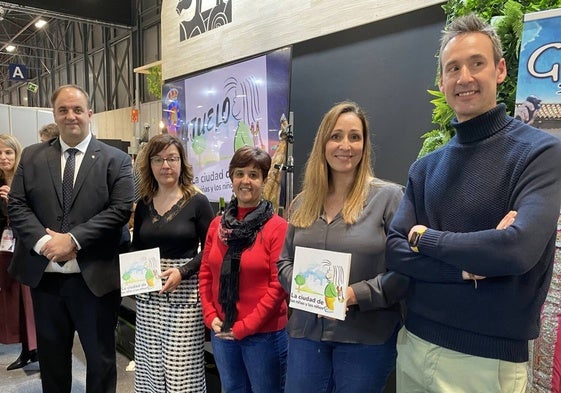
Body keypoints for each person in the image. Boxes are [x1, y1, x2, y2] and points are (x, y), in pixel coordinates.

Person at [385, 14, 561, 393]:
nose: (464, 77)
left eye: (476, 63)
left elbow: (516, 250)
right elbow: (396, 250)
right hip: (414, 343)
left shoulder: (540, 152)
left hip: (486, 363)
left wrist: (425, 238)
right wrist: (470, 267)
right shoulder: (426, 166)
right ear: (442, 81)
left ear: (499, 70)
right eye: (453, 68)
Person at [8, 84, 134, 393]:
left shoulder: (116, 160)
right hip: (45, 279)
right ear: (55, 114)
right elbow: (17, 204)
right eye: (63, 110)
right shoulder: (33, 156)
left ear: (90, 114)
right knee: (52, 362)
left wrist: (73, 241)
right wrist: (45, 244)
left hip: (95, 280)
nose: (71, 116)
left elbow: (120, 210)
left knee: (101, 361)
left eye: (77, 109)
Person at [276, 101, 407, 393]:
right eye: (336, 136)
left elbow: (404, 273)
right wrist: (307, 289)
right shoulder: (302, 203)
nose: (344, 145)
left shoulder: (388, 198)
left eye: (354, 136)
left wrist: (352, 295)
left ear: (364, 144)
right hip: (306, 336)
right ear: (323, 142)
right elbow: (283, 263)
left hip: (365, 339)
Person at [199, 145, 289, 393]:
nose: (245, 181)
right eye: (239, 173)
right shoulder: (218, 225)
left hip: (264, 336)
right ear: (231, 177)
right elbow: (206, 273)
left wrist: (244, 327)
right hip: (223, 331)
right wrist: (210, 316)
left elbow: (278, 285)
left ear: (264, 179)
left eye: (253, 174)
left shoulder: (277, 227)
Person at [131, 133, 214, 393]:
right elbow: (137, 249)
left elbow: (211, 248)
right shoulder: (144, 204)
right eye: (158, 159)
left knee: (182, 373)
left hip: (184, 295)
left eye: (171, 158)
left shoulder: (197, 201)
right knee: (150, 368)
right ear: (150, 165)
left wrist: (183, 271)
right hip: (149, 296)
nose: (165, 165)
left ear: (182, 163)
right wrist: (133, 278)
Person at [0, 134, 38, 371]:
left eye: (8, 153)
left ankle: (34, 349)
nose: (3, 158)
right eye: (0, 153)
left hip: (25, 249)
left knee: (29, 302)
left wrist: (11, 200)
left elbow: (30, 218)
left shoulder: (26, 181)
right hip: (4, 251)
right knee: (12, 301)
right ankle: (27, 349)